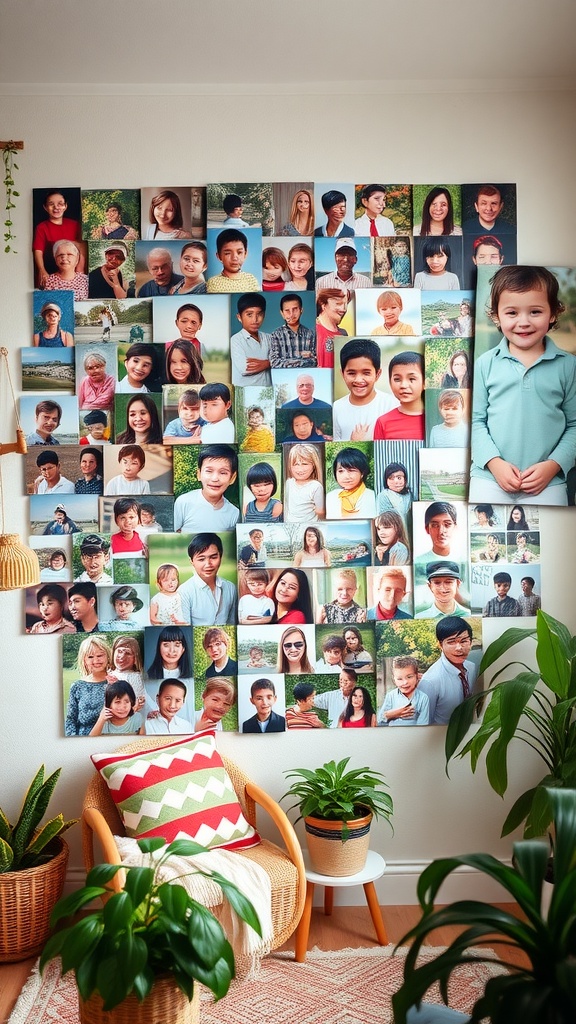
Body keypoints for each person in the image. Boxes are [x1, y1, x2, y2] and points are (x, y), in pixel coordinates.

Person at [471, 266, 576, 506]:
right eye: (512, 313)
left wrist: (553, 466)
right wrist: (494, 463)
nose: (524, 322)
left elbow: (574, 425)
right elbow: (476, 422)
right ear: (496, 316)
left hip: (549, 482)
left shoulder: (568, 366)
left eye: (535, 311)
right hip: (489, 478)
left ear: (553, 314)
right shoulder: (484, 364)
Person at [333, 338, 396, 441]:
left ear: (377, 374)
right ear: (342, 374)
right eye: (351, 373)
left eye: (366, 373)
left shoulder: (392, 405)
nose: (358, 380)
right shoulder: (336, 408)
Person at [419, 617, 477, 725]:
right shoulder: (430, 681)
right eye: (451, 642)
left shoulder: (472, 668)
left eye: (464, 641)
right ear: (441, 645)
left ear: (471, 642)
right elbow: (424, 723)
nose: (459, 648)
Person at [173, 444, 239, 532]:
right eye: (209, 471)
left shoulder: (234, 513)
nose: (215, 478)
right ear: (199, 474)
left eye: (223, 473)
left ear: (232, 478)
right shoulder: (183, 502)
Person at [177, 533, 237, 626]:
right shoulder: (184, 591)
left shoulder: (230, 587)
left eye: (213, 557)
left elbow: (232, 624)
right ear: (192, 562)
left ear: (220, 557)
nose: (208, 564)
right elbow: (185, 628)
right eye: (201, 559)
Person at [33, 190, 82, 287]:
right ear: (45, 207)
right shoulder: (42, 227)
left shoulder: (75, 225)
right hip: (50, 271)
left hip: (73, 273)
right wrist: (42, 270)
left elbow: (82, 248)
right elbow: (38, 251)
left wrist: (80, 269)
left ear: (65, 206)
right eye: (51, 204)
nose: (56, 207)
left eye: (60, 204)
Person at [65, 635, 111, 735]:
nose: (96, 660)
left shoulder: (116, 682)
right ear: (84, 660)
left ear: (107, 656)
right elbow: (70, 720)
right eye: (90, 657)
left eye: (100, 655)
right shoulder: (77, 686)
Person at [373, 351, 425, 441]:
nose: (403, 385)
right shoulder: (383, 422)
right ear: (390, 383)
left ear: (425, 382)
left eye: (412, 379)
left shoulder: (438, 420)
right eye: (397, 379)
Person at [230, 292, 271, 386]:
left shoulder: (269, 338)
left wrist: (267, 363)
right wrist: (271, 362)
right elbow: (245, 368)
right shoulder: (236, 340)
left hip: (268, 391)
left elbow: (283, 360)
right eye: (249, 315)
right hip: (245, 392)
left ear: (264, 315)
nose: (255, 320)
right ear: (239, 317)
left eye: (259, 314)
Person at [326, 446, 376, 519]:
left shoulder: (371, 496)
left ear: (362, 473)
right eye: (341, 471)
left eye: (351, 470)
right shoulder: (331, 497)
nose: (346, 476)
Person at [378, 656, 429, 726]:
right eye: (399, 679)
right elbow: (380, 721)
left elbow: (423, 724)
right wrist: (394, 714)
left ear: (417, 676)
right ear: (394, 680)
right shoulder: (391, 696)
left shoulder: (423, 698)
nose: (405, 682)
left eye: (409, 677)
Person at [268, 293, 316, 367]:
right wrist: (302, 362)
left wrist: (288, 362)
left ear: (301, 310)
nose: (291, 314)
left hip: (304, 376)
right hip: (283, 377)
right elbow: (274, 362)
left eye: (295, 309)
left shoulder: (310, 334)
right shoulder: (276, 335)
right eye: (287, 311)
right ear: (282, 313)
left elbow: (314, 360)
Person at [207, 228, 259, 293]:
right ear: (219, 256)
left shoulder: (251, 280)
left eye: (239, 252)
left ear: (245, 254)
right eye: (228, 253)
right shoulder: (213, 282)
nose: (234, 258)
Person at [283, 443, 325, 522]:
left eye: (304, 464)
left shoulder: (315, 486)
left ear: (313, 465)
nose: (300, 469)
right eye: (296, 464)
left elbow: (320, 511)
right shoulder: (289, 483)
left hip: (309, 526)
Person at [107, 636, 145, 709]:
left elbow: (136, 701)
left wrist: (119, 686)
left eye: (128, 653)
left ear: (135, 659)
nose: (122, 656)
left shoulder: (135, 677)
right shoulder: (108, 673)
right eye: (119, 651)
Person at [315, 288, 349, 368]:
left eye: (345, 305)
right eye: (338, 304)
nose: (343, 309)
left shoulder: (343, 334)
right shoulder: (312, 331)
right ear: (323, 305)